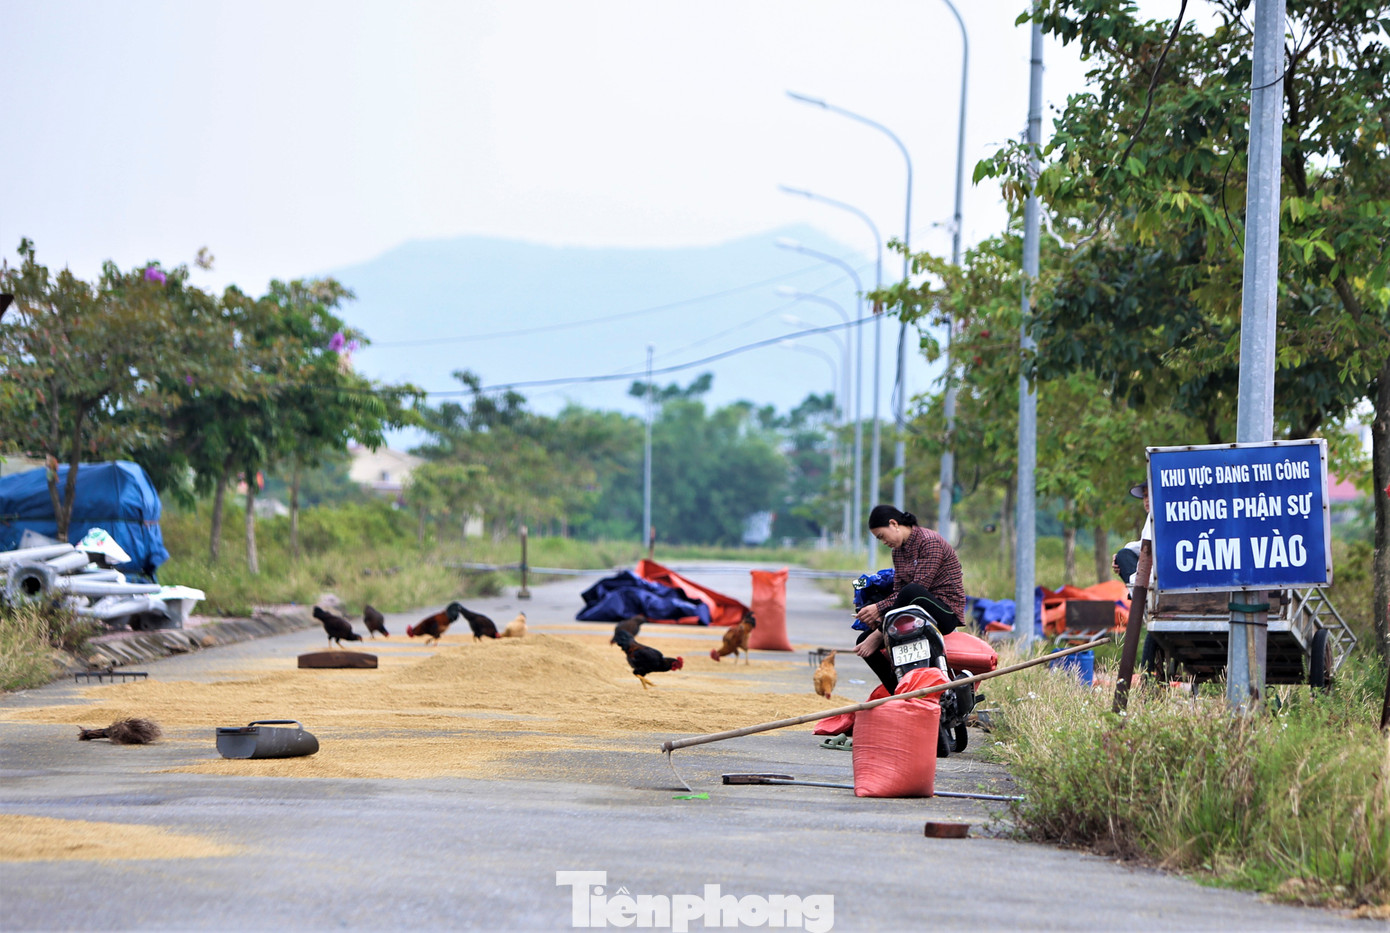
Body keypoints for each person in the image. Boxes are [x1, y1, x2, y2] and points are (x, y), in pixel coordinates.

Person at [853, 505, 966, 692]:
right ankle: (898, 692)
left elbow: (918, 588)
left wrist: (879, 609)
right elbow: (898, 591)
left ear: (893, 524)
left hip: (944, 612)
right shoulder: (897, 551)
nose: (883, 542)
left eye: (881, 536)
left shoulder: (929, 542)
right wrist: (879, 615)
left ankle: (881, 633)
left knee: (912, 589)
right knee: (862, 641)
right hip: (913, 611)